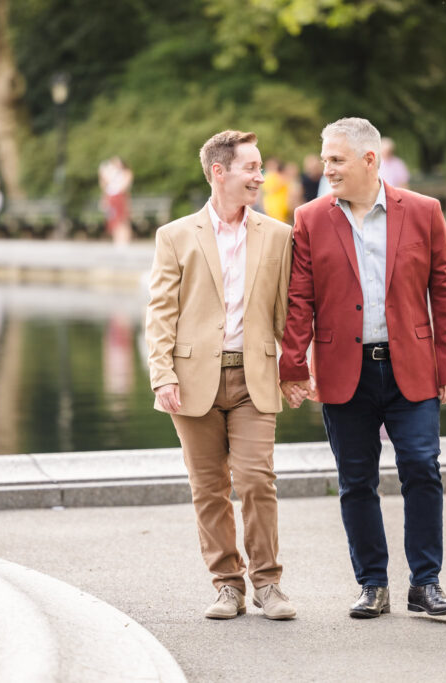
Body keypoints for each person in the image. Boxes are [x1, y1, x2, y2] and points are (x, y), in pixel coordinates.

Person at [279, 117, 446, 619]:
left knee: (423, 469)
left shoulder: (424, 212)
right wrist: (293, 366)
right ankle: (373, 584)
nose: (326, 168)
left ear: (369, 159)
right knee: (355, 479)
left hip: (412, 368)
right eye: (324, 159)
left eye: (335, 159)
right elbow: (300, 301)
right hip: (345, 370)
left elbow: (445, 291)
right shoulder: (311, 218)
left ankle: (426, 583)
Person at [145, 130, 296, 621]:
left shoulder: (278, 236)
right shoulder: (176, 236)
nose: (260, 176)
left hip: (254, 379)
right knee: (208, 488)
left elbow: (286, 314)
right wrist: (161, 373)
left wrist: (295, 369)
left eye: (259, 168)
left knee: (256, 480)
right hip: (191, 382)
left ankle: (268, 585)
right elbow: (161, 311)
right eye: (251, 168)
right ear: (219, 173)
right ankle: (227, 586)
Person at [100, 157, 134, 246]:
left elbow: (123, 187)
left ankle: (124, 241)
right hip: (111, 198)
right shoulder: (112, 174)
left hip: (120, 197)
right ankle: (117, 241)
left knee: (122, 220)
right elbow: (105, 187)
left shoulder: (126, 173)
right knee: (114, 221)